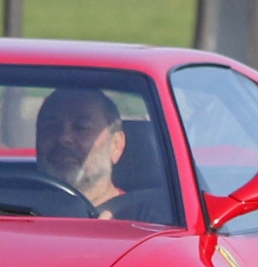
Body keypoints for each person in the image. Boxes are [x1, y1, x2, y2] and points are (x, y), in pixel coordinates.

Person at [35, 87, 165, 221]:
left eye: (81, 127)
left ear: (116, 145)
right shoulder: (16, 211)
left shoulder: (144, 221)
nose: (63, 138)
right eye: (50, 127)